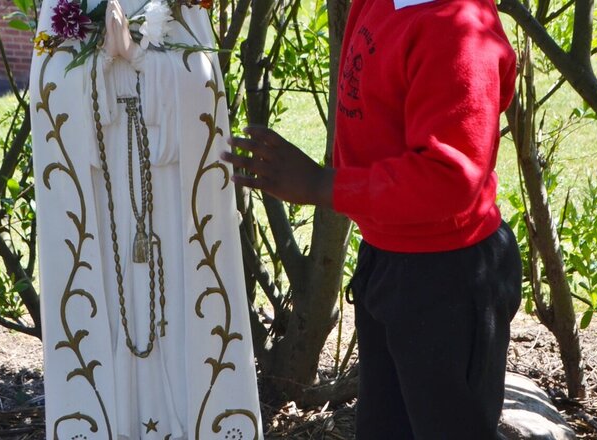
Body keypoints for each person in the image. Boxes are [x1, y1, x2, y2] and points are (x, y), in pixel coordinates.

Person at [222, 0, 520, 437]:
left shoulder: (453, 31)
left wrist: (323, 185)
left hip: (448, 279)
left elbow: (452, 180)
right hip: (391, 257)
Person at [29, 0, 263, 437]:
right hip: (104, 186)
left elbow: (202, 83)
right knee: (115, 309)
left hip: (169, 182)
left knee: (174, 291)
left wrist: (138, 57)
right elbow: (50, 86)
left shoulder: (181, 6)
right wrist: (100, 62)